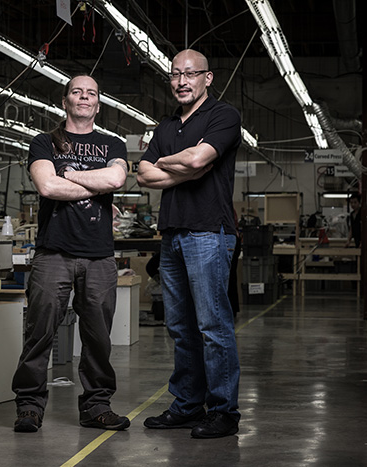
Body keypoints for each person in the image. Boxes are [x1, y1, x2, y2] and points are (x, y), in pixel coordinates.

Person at [11, 75, 130, 433]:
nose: (84, 97)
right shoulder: (44, 142)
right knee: (39, 332)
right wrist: (92, 180)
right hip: (54, 253)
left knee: (98, 337)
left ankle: (96, 406)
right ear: (65, 101)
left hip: (99, 256)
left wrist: (69, 176)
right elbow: (46, 185)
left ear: (98, 103)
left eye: (91, 93)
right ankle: (29, 406)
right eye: (77, 92)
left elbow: (116, 181)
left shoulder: (114, 143)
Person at [136, 49, 242, 439]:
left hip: (208, 233)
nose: (182, 81)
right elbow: (143, 175)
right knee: (180, 327)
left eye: (190, 74)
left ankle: (224, 411)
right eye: (175, 74)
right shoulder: (165, 125)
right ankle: (186, 405)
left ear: (207, 78)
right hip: (173, 234)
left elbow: (199, 159)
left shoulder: (223, 116)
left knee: (213, 326)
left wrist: (171, 163)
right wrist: (180, 167)